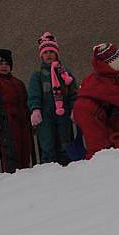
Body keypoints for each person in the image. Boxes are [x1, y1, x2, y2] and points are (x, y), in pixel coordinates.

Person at [28, 31, 78, 164]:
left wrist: (74, 109)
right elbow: (34, 94)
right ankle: (49, 169)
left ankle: (66, 165)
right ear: (41, 55)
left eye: (51, 52)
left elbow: (73, 92)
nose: (48, 55)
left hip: (63, 114)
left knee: (65, 142)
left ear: (56, 54)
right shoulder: (37, 75)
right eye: (45, 52)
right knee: (47, 143)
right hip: (45, 115)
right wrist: (35, 109)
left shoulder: (65, 73)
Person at [0, 49, 31, 173]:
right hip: (7, 123)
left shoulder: (18, 83)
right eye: (0, 64)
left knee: (25, 150)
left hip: (22, 122)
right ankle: (13, 177)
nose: (4, 66)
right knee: (11, 152)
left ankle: (27, 178)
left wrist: (30, 117)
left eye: (7, 64)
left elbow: (26, 102)